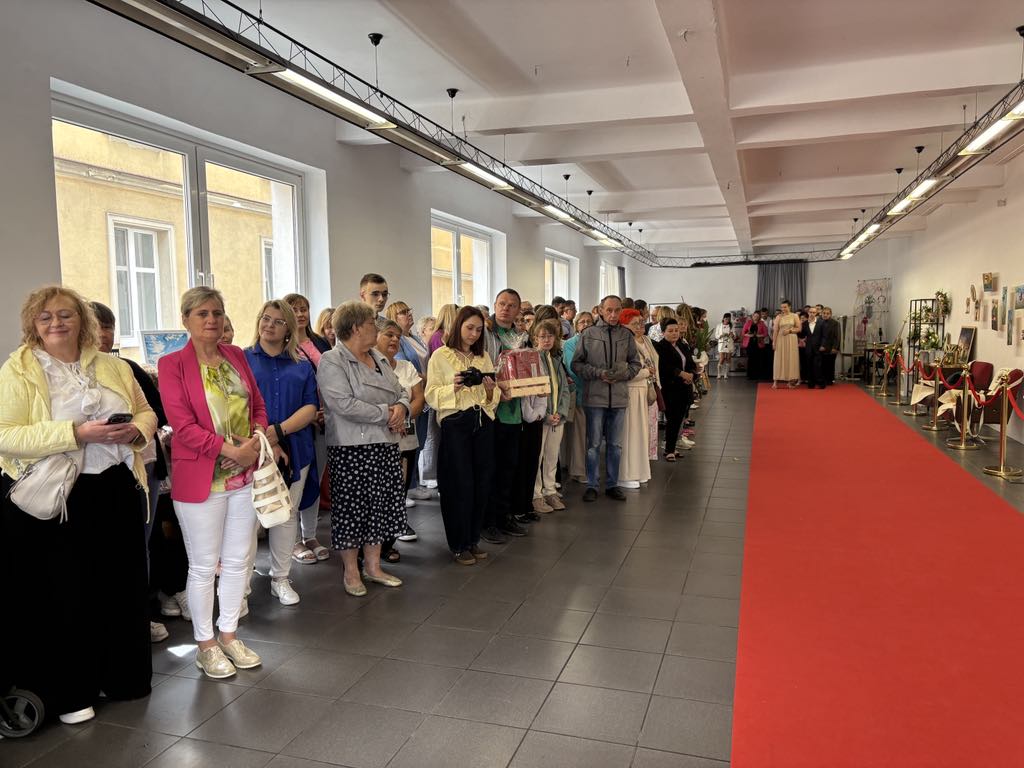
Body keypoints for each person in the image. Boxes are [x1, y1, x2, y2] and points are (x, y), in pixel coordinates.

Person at [0, 286, 157, 724]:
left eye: (66, 314)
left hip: (116, 488)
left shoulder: (112, 365)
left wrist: (135, 430)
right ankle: (72, 693)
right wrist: (76, 433)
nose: (56, 323)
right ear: (33, 324)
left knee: (121, 588)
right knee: (68, 595)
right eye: (46, 316)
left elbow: (146, 411)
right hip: (59, 497)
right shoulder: (19, 370)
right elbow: (6, 435)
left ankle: (122, 678)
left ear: (82, 320)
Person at [158, 286, 266, 679]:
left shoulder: (236, 355)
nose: (211, 320)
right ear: (185, 319)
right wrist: (230, 450)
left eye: (217, 313)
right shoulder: (172, 364)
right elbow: (182, 426)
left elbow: (258, 406)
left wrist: (256, 439)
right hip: (202, 479)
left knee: (238, 562)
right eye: (202, 313)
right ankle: (205, 645)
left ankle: (229, 635)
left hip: (244, 477)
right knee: (204, 566)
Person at [91, 301, 171, 643]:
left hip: (142, 464)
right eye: (96, 326)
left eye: (108, 326)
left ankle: (142, 613)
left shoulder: (127, 368)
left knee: (140, 543)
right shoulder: (71, 374)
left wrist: (135, 426)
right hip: (96, 472)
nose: (103, 334)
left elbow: (158, 412)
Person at [318, 301, 409, 597]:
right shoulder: (332, 360)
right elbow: (342, 403)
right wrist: (387, 412)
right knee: (352, 510)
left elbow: (401, 390)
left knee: (379, 506)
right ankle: (351, 571)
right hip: (351, 448)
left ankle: (374, 567)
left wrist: (402, 408)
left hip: (385, 443)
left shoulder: (378, 357)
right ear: (356, 327)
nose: (377, 328)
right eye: (372, 323)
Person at [244, 300, 319, 603]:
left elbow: (311, 407)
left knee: (286, 514)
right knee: (248, 519)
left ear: (289, 328)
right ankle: (242, 585)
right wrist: (267, 439)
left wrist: (279, 431)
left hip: (296, 448)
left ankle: (281, 578)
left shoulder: (301, 365)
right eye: (266, 318)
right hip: (252, 448)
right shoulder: (242, 360)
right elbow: (239, 405)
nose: (269, 325)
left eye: (278, 321)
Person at [425, 306, 497, 564]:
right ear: (458, 326)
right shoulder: (440, 356)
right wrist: (453, 387)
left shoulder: (483, 356)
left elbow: (492, 394)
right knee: (459, 484)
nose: (474, 334)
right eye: (469, 328)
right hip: (456, 423)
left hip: (482, 421)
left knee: (481, 482)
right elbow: (431, 395)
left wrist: (490, 390)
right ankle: (458, 543)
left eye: (478, 330)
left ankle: (473, 538)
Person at [571, 295, 641, 502]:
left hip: (618, 398)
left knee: (615, 445)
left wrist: (623, 375)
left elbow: (635, 363)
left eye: (617, 310)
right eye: (609, 310)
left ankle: (612, 484)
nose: (613, 314)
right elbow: (576, 364)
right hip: (595, 398)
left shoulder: (626, 335)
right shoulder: (589, 334)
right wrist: (598, 373)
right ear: (600, 310)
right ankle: (592, 485)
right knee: (593, 444)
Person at [283, 292, 332, 561]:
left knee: (314, 480)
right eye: (294, 309)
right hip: (298, 423)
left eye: (304, 309)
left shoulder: (320, 342)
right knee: (295, 484)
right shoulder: (282, 346)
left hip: (324, 421)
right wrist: (309, 413)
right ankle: (291, 541)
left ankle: (310, 535)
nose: (301, 314)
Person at [481, 289, 529, 542]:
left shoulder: (520, 337)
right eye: (502, 303)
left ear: (518, 310)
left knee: (509, 468)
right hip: (490, 411)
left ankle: (504, 515)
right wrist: (498, 389)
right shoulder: (485, 333)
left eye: (511, 305)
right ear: (494, 304)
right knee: (490, 468)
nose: (506, 309)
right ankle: (488, 521)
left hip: (514, 412)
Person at [376, 320, 425, 561]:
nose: (395, 339)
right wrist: (391, 419)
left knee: (399, 491)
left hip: (406, 438)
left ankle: (389, 543)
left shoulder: (406, 367)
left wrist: (403, 417)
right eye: (389, 335)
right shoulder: (369, 367)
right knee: (380, 493)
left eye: (398, 336)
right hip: (380, 438)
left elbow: (419, 398)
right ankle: (375, 544)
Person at [530, 319, 570, 512]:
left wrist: (560, 413)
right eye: (542, 336)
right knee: (537, 457)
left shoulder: (556, 360)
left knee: (552, 456)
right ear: (535, 338)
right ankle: (536, 495)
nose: (546, 340)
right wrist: (545, 414)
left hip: (557, 418)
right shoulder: (532, 360)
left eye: (550, 336)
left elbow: (564, 390)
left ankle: (550, 491)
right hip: (541, 419)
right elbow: (533, 392)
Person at [619, 308, 656, 488]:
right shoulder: (623, 343)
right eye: (634, 323)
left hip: (641, 390)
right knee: (630, 433)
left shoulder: (639, 342)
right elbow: (624, 372)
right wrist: (647, 372)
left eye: (640, 323)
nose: (639, 326)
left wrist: (648, 371)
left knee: (641, 433)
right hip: (630, 391)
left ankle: (640, 471)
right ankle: (626, 474)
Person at [655, 317, 696, 462]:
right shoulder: (660, 347)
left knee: (679, 419)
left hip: (685, 386)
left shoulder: (682, 345)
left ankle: (672, 447)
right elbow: (664, 367)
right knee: (672, 419)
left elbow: (690, 362)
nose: (674, 333)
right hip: (670, 388)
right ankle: (669, 450)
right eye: (670, 331)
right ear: (663, 332)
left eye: (676, 330)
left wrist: (691, 374)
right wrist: (681, 374)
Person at [562, 311, 593, 484]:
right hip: (580, 392)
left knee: (591, 435)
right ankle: (578, 470)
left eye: (589, 321)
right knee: (579, 435)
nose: (586, 324)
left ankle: (587, 467)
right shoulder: (570, 344)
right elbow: (573, 368)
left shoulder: (597, 342)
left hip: (596, 394)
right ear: (576, 325)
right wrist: (595, 373)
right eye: (582, 322)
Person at [772, 299, 801, 389]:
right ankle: (775, 381)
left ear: (789, 307)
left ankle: (790, 381)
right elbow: (775, 331)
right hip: (780, 339)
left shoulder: (795, 316)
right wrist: (774, 342)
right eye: (782, 307)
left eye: (785, 307)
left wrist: (790, 331)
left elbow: (799, 328)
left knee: (791, 359)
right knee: (778, 359)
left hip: (792, 339)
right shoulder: (778, 317)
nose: (783, 309)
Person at [811, 306, 842, 388]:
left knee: (830, 364)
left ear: (830, 314)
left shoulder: (835, 323)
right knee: (821, 365)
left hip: (831, 347)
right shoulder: (818, 322)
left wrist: (835, 347)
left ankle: (830, 380)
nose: (825, 315)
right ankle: (822, 380)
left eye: (827, 313)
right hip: (820, 347)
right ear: (821, 313)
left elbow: (837, 337)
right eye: (824, 313)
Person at [742, 311, 769, 381]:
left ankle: (758, 375)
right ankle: (750, 375)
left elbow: (766, 333)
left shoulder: (762, 323)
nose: (756, 317)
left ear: (759, 317)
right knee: (751, 359)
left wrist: (758, 335)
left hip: (758, 343)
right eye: (754, 316)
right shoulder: (748, 323)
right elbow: (743, 333)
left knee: (758, 360)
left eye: (757, 316)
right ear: (752, 316)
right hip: (749, 343)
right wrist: (749, 335)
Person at [714, 313, 735, 379]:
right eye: (726, 319)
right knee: (722, 359)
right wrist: (721, 336)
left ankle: (725, 374)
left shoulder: (731, 326)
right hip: (722, 344)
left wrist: (732, 335)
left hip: (729, 344)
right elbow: (716, 336)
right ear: (723, 318)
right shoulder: (719, 326)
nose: (727, 320)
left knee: (728, 359)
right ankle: (719, 374)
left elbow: (734, 336)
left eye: (728, 319)